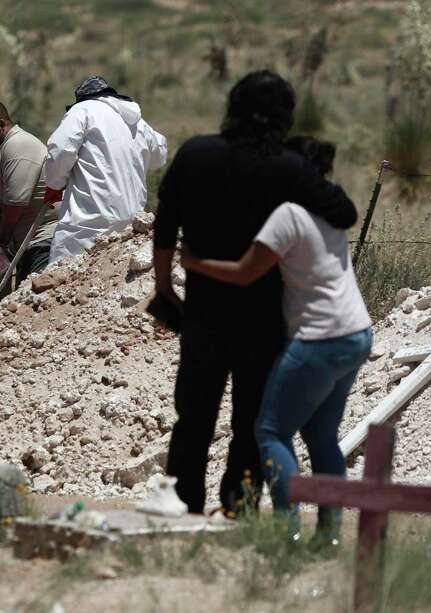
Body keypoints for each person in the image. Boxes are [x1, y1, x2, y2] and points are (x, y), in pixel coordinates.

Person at [153, 70, 358, 517]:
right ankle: (238, 508)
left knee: (193, 416)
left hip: (203, 311)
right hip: (264, 317)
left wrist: (165, 286)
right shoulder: (289, 168)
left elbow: (165, 226)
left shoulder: (196, 153)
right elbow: (344, 213)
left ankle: (182, 505)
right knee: (251, 421)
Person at [180, 136, 372, 546]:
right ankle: (329, 534)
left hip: (317, 338)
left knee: (270, 432)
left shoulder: (288, 213)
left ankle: (288, 532)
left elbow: (245, 272)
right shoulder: (330, 209)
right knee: (322, 437)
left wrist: (193, 262)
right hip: (356, 332)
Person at [45, 76, 167, 264]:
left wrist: (54, 184)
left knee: (62, 281)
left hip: (87, 225)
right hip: (129, 224)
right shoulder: (136, 121)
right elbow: (160, 155)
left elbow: (60, 151)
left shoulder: (82, 110)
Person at [0, 99, 59, 284]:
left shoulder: (18, 145)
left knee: (34, 298)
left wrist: (2, 238)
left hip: (41, 240)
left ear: (1, 124)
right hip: (21, 244)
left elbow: (15, 205)